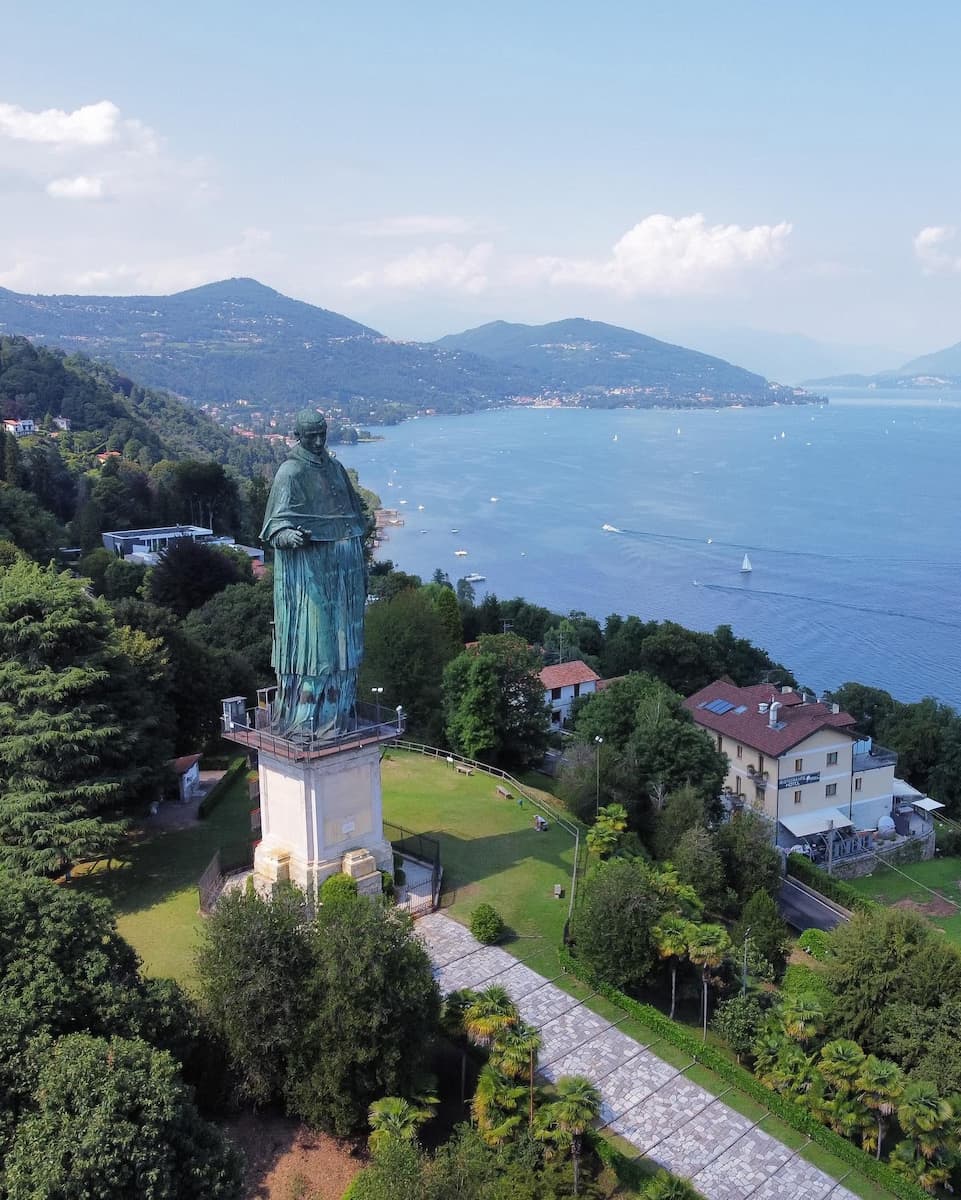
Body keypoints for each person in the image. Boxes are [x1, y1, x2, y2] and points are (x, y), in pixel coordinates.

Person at [260, 410, 369, 738]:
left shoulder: (335, 468)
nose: (319, 441)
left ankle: (341, 708)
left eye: (322, 434)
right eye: (311, 436)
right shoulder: (290, 473)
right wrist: (288, 537)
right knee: (318, 642)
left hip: (345, 572)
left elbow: (353, 515)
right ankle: (309, 714)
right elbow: (273, 526)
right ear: (298, 434)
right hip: (311, 572)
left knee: (345, 644)